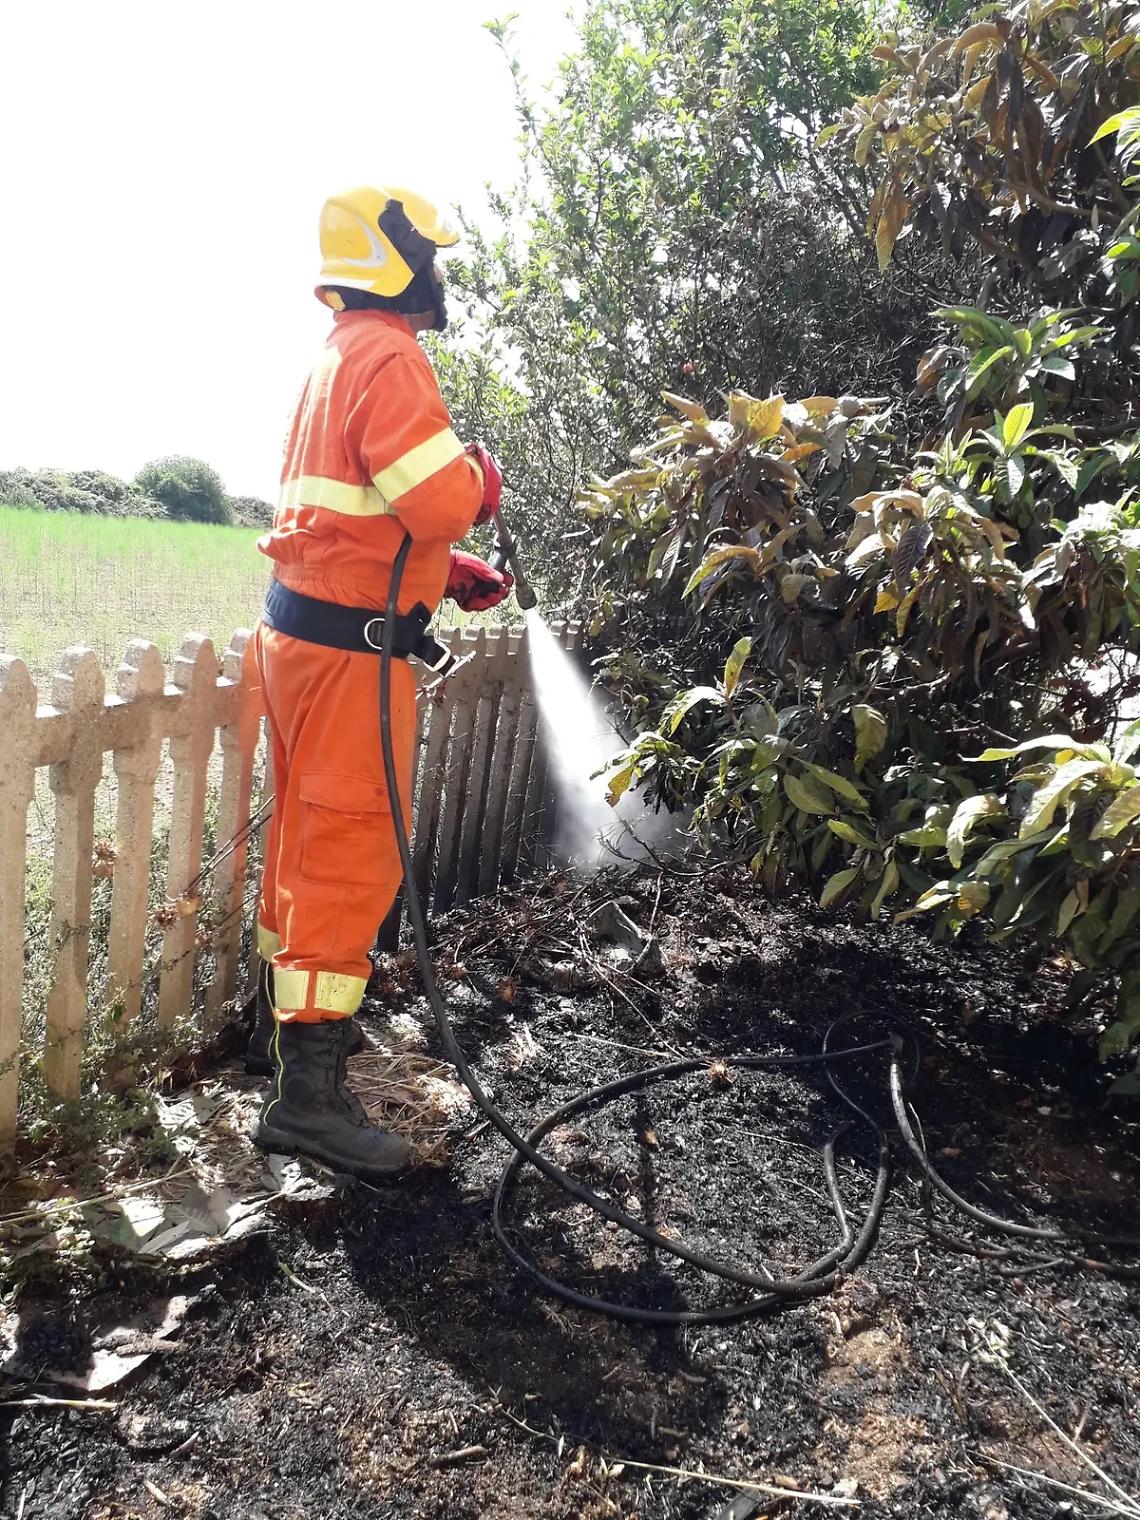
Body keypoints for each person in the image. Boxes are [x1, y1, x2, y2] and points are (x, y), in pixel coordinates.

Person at [247, 185, 512, 1179]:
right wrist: (479, 480)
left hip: (307, 637)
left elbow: (359, 520)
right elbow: (437, 495)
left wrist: (442, 571)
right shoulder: (392, 356)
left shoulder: (338, 354)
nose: (439, 272)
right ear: (393, 258)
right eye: (428, 254)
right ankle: (307, 1104)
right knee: (348, 853)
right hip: (352, 661)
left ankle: (290, 1040)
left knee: (303, 841)